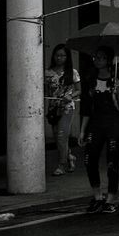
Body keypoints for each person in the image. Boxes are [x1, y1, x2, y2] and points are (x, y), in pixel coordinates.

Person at [81, 47, 119, 213]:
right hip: (96, 123)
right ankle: (97, 196)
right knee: (89, 159)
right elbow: (86, 107)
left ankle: (110, 199)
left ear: (109, 60)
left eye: (101, 57)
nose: (97, 60)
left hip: (114, 123)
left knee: (111, 162)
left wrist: (118, 90)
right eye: (96, 57)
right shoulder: (90, 79)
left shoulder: (118, 78)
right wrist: (82, 131)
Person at [44, 44, 81, 176]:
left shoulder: (72, 72)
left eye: (63, 55)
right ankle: (70, 156)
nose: (60, 58)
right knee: (57, 137)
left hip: (67, 107)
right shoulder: (48, 73)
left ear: (67, 57)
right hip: (53, 108)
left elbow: (79, 90)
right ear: (54, 56)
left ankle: (61, 165)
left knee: (61, 136)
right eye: (58, 55)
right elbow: (45, 91)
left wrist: (70, 96)